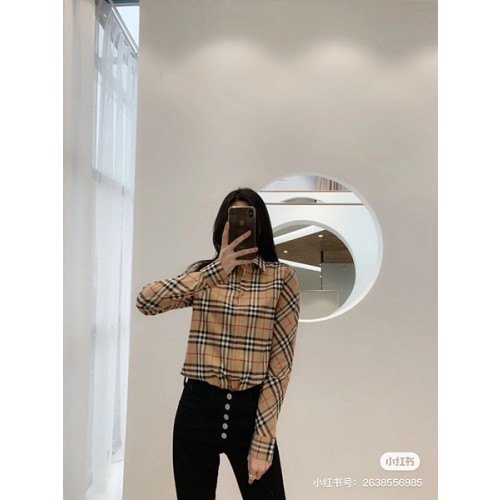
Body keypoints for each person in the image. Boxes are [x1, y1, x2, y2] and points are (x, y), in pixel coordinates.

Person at [136, 188, 300, 500]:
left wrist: (263, 441)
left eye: (247, 221)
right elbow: (146, 301)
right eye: (232, 221)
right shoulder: (203, 275)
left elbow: (280, 367)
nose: (240, 229)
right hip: (196, 410)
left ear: (260, 227)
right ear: (222, 227)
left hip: (250, 414)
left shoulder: (282, 278)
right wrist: (215, 270)